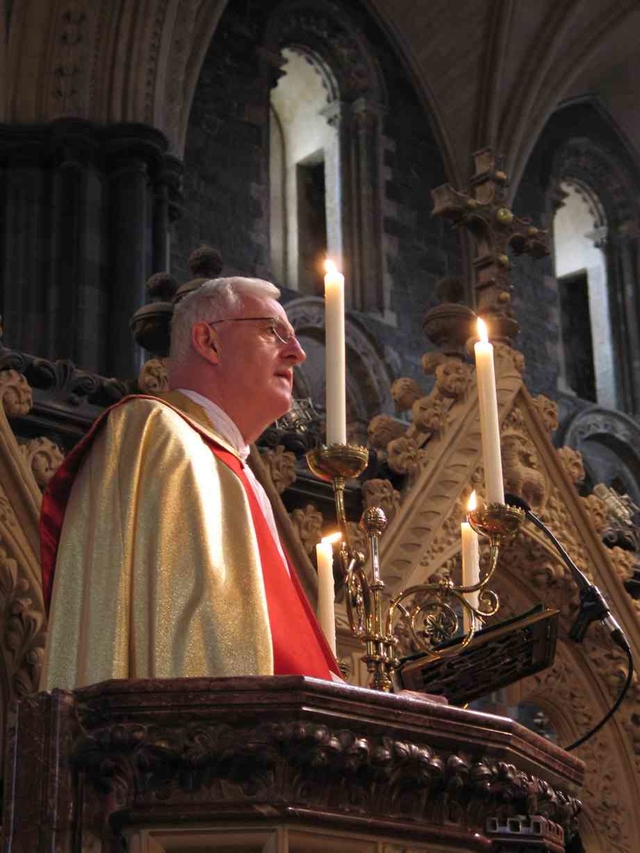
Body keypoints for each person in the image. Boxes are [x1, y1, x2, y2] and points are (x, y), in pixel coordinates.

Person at [40, 277, 340, 690]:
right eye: (274, 331)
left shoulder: (238, 470)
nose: (298, 352)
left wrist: (380, 705)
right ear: (209, 342)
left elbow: (279, 654)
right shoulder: (155, 433)